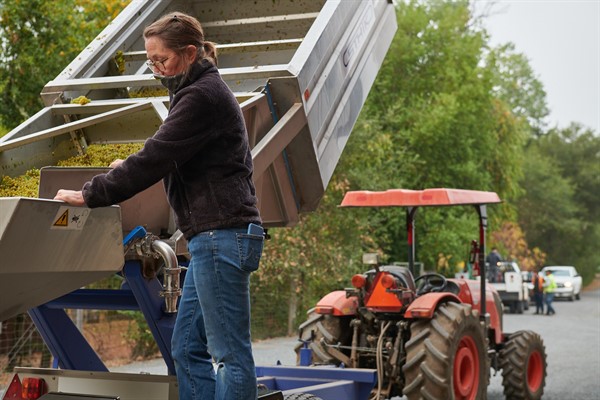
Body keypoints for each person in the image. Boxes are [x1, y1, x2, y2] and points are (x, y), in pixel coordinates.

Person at [54, 12, 264, 400]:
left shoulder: (203, 96)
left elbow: (157, 156)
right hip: (211, 241)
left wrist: (89, 194)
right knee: (186, 348)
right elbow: (170, 154)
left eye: (160, 60)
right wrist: (126, 165)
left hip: (222, 237)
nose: (155, 68)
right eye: (149, 61)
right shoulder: (192, 90)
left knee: (229, 355)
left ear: (189, 53)